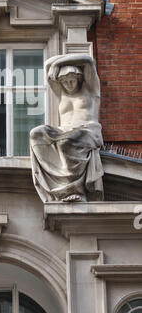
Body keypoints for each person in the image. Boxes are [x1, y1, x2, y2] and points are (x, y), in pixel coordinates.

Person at [30, 53, 104, 203]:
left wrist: (58, 64)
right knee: (36, 134)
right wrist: (55, 66)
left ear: (79, 78)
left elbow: (88, 60)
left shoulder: (90, 90)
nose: (69, 84)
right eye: (65, 82)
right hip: (65, 131)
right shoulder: (61, 93)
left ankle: (75, 190)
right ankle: (56, 185)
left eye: (72, 80)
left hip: (88, 130)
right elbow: (46, 65)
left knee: (66, 141)